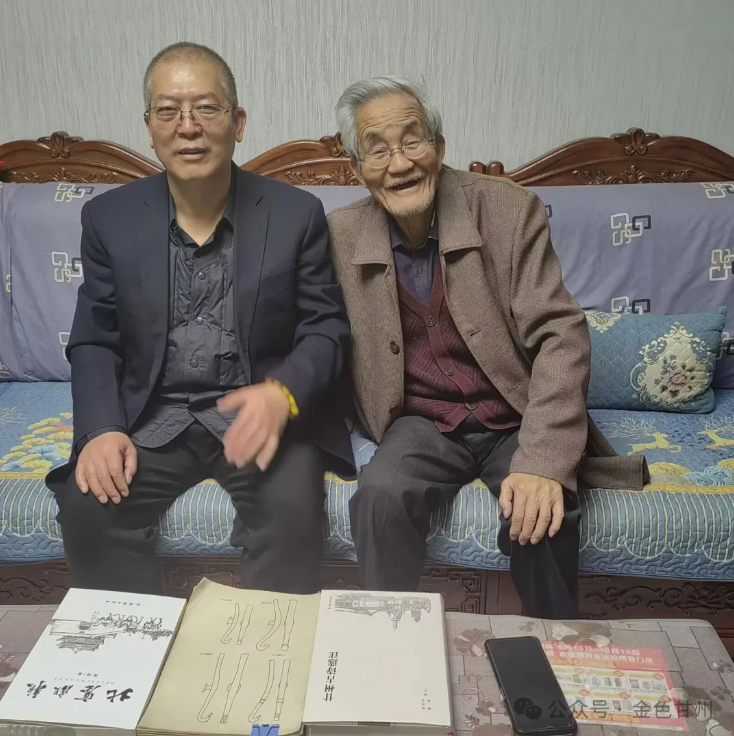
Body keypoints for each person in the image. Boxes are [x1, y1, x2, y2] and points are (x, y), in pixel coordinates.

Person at [327, 77, 649, 618]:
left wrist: (543, 463)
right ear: (358, 168)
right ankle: (385, 649)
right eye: (377, 150)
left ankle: (552, 650)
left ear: (439, 145)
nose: (399, 163)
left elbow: (561, 333)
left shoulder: (509, 210)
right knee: (379, 497)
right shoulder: (338, 234)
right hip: (420, 421)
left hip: (514, 412)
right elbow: (315, 336)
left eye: (412, 140)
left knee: (543, 514)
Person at [46, 42, 354, 595]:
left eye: (207, 108)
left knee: (294, 518)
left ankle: (257, 648)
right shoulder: (109, 218)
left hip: (256, 415)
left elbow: (325, 329)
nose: (187, 127)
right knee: (90, 507)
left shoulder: (296, 214)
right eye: (168, 110)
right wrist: (101, 429)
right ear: (149, 127)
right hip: (153, 417)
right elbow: (95, 339)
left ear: (238, 123)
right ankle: (139, 642)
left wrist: (282, 394)